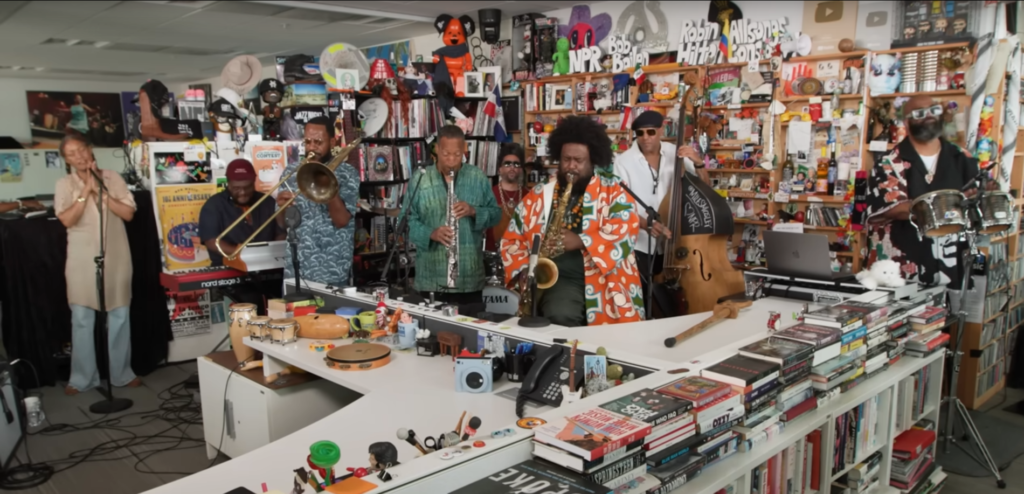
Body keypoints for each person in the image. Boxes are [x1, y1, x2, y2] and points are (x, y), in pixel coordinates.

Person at [501, 116, 643, 326]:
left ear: (592, 160)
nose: (571, 166)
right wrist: (525, 269)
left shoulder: (613, 190)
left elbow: (628, 228)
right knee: (561, 316)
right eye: (566, 159)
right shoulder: (541, 193)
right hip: (558, 279)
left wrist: (581, 240)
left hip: (606, 279)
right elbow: (513, 237)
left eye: (578, 161)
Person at [53, 134, 141, 395]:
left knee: (119, 315)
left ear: (90, 149)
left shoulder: (112, 177)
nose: (79, 156)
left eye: (81, 150)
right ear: (66, 160)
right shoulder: (63, 184)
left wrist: (101, 192)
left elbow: (128, 213)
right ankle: (82, 378)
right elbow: (67, 220)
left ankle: (122, 374)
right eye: (71, 154)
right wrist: (84, 192)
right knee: (81, 317)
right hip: (81, 259)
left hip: (117, 256)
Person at [866, 95, 979, 288]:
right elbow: (890, 207)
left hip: (951, 258)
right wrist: (941, 206)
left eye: (934, 111)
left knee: (947, 316)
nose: (928, 117)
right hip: (900, 263)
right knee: (898, 316)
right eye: (919, 114)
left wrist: (979, 196)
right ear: (906, 123)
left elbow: (975, 198)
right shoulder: (889, 161)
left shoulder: (961, 157)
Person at [612, 110, 707, 314]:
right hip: (640, 243)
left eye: (651, 132)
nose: (645, 138)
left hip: (677, 239)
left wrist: (698, 162)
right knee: (647, 300)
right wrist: (646, 224)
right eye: (640, 133)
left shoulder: (676, 153)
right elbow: (619, 205)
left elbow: (703, 188)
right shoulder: (623, 162)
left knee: (676, 297)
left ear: (662, 130)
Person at [403, 125, 500, 311]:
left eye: (457, 155)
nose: (452, 161)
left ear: (464, 150)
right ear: (437, 149)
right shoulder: (420, 179)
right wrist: (431, 233)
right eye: (446, 154)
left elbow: (496, 215)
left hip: (469, 279)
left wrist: (473, 211)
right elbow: (405, 221)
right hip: (430, 279)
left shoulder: (477, 177)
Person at [276, 117, 360, 287]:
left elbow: (342, 221)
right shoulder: (290, 172)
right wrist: (281, 208)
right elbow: (283, 225)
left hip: (333, 269)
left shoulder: (348, 174)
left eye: (318, 142)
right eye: (308, 141)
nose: (312, 147)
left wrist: (327, 182)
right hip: (297, 269)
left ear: (332, 141)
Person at [198, 159, 285, 312]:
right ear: (228, 183)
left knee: (282, 309)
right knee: (249, 316)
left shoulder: (267, 202)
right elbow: (212, 242)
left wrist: (273, 255)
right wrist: (246, 257)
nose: (243, 193)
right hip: (231, 275)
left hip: (269, 274)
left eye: (247, 187)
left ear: (254, 181)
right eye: (236, 188)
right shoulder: (213, 205)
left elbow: (280, 234)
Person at [486, 143, 527, 251]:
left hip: (521, 254)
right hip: (493, 255)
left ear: (521, 170)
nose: (512, 167)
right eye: (507, 164)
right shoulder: (488, 194)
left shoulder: (529, 195)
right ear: (500, 169)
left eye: (516, 164)